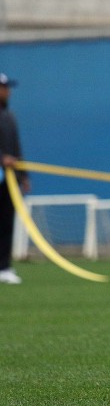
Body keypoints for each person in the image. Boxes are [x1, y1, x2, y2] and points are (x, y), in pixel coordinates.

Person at [0, 73, 30, 285]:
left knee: (6, 222)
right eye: (4, 87)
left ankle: (4, 266)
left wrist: (23, 174)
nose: (7, 91)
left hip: (8, 180)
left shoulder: (9, 115)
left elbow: (16, 148)